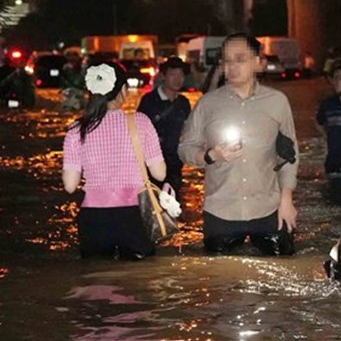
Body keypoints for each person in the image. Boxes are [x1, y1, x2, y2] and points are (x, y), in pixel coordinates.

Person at [178, 33, 298, 255]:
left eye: (240, 59)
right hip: (221, 211)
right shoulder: (208, 104)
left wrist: (287, 199)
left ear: (257, 62)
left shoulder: (277, 102)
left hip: (268, 208)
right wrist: (209, 156)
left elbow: (290, 155)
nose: (232, 66)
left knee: (284, 263)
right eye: (227, 60)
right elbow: (185, 148)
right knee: (220, 279)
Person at [62, 61, 167, 260]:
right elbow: (159, 173)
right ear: (124, 90)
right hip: (133, 215)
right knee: (139, 281)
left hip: (94, 218)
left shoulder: (77, 129)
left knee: (97, 281)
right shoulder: (140, 122)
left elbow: (69, 185)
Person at [137, 57, 192, 202]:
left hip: (175, 165)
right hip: (152, 165)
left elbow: (188, 129)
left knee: (174, 206)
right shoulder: (149, 101)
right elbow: (138, 131)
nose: (177, 79)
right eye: (173, 74)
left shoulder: (183, 103)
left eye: (180, 75)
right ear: (164, 76)